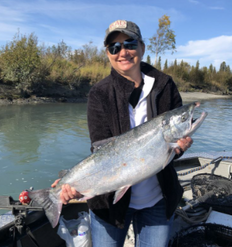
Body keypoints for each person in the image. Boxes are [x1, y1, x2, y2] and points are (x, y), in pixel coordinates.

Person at [52, 20, 193, 247]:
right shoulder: (99, 93)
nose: (123, 52)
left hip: (158, 201)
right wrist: (76, 185)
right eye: (114, 47)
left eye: (129, 44)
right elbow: (100, 148)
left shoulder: (165, 85)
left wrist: (179, 148)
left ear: (142, 47)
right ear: (108, 53)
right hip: (109, 205)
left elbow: (172, 146)